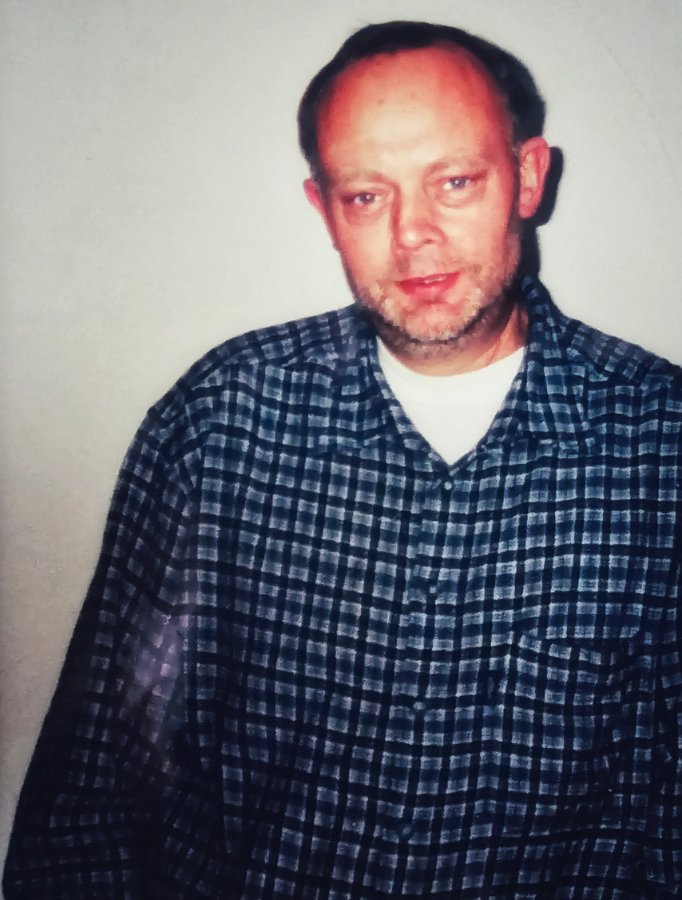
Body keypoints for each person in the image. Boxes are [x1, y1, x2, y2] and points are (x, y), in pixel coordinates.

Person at [4, 19, 681, 899]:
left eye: (455, 182)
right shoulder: (222, 420)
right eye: (366, 196)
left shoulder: (659, 441)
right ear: (323, 209)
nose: (413, 234)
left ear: (527, 176)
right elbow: (98, 774)